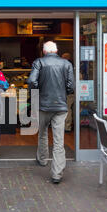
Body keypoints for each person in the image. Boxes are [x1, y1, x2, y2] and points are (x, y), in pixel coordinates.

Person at [27, 41, 74, 184]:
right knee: (59, 141)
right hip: (60, 106)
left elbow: (31, 81)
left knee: (42, 134)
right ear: (57, 50)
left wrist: (37, 93)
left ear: (44, 51)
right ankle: (57, 174)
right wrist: (63, 93)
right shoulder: (66, 64)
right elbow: (71, 86)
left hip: (43, 105)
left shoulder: (39, 62)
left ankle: (42, 160)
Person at [62, 52, 74, 132]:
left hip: (68, 92)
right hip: (70, 91)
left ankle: (67, 127)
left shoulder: (66, 66)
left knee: (67, 109)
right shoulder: (71, 66)